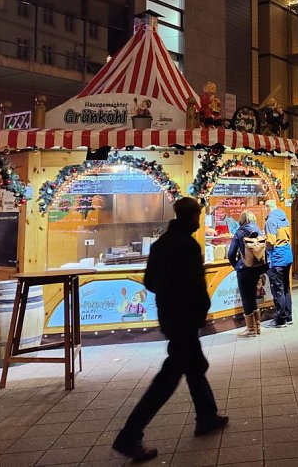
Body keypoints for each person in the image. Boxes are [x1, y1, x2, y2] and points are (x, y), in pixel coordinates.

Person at [113, 198, 227, 462]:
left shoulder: (161, 244)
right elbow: (194, 286)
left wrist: (168, 295)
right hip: (185, 318)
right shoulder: (187, 245)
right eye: (197, 216)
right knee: (167, 379)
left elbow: (149, 282)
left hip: (170, 317)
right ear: (193, 217)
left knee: (195, 366)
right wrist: (200, 309)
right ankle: (129, 436)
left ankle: (207, 416)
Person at [227, 211, 266, 337]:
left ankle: (250, 329)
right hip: (256, 268)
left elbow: (231, 253)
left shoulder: (240, 232)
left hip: (244, 269)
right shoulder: (258, 230)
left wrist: (236, 265)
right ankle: (257, 326)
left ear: (242, 220)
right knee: (253, 296)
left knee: (246, 298)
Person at [263, 199, 293, 328]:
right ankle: (288, 316)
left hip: (277, 258)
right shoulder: (284, 218)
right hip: (287, 256)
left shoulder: (271, 221)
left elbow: (271, 242)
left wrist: (263, 245)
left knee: (278, 290)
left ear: (268, 208)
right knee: (286, 288)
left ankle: (280, 320)